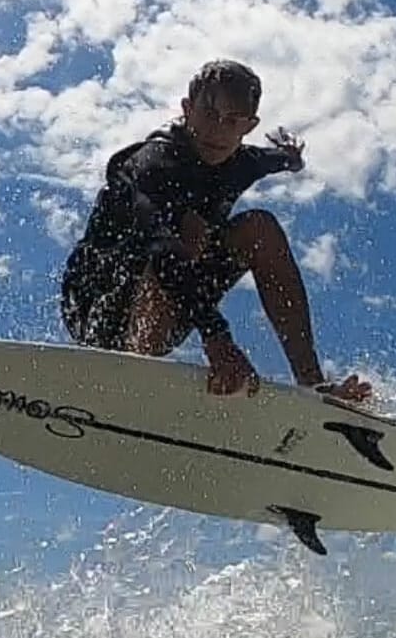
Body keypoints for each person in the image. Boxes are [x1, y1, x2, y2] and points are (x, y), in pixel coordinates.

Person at [60, 59, 371, 401]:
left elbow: (279, 160)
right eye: (209, 114)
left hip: (175, 304)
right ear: (187, 109)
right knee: (186, 232)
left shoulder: (242, 162)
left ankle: (313, 385)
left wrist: (291, 156)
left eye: (232, 121)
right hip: (98, 307)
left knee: (260, 228)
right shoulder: (152, 166)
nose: (218, 131)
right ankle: (131, 378)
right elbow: (163, 253)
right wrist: (218, 339)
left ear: (249, 126)